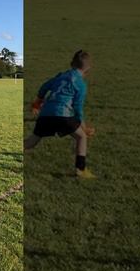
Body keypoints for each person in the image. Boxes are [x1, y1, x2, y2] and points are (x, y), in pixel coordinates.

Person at [25, 50, 97, 179]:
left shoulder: (61, 76)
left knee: (31, 142)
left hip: (45, 114)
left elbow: (44, 87)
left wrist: (37, 102)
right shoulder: (80, 84)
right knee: (82, 137)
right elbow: (78, 109)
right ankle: (80, 170)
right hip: (63, 115)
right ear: (88, 68)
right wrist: (84, 128)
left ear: (71, 63)